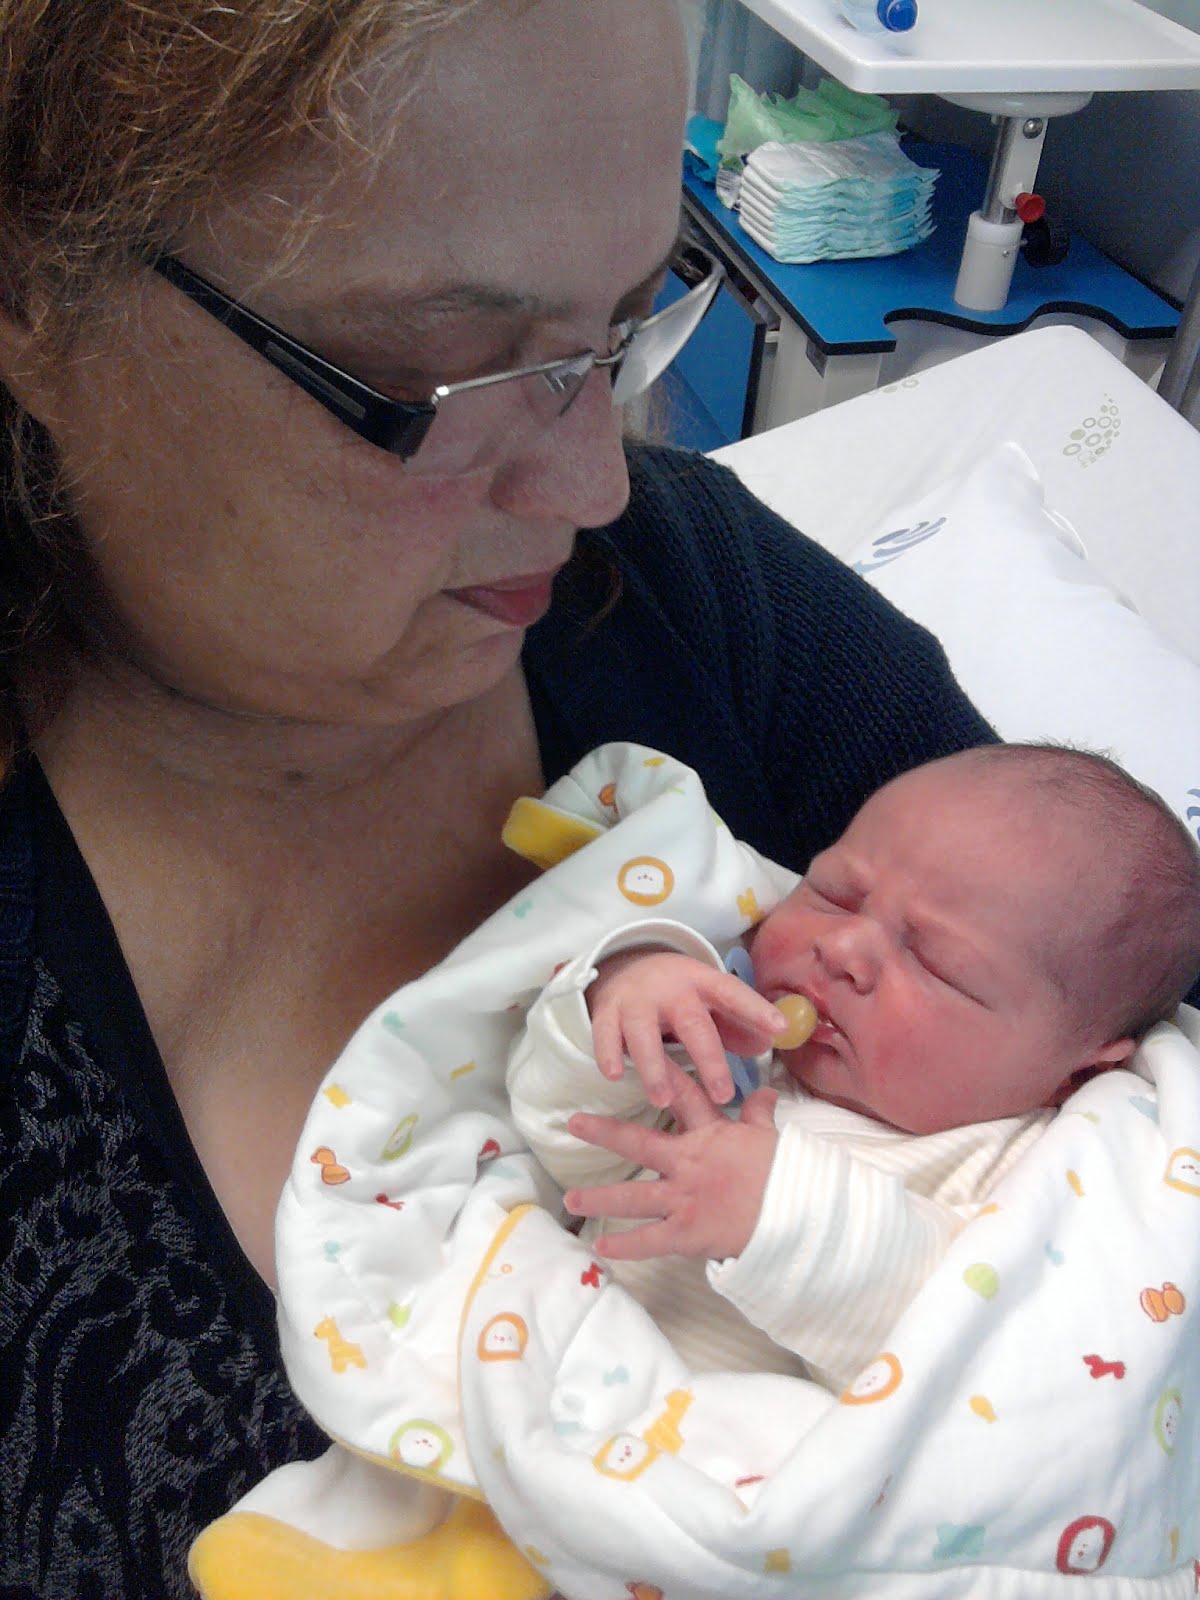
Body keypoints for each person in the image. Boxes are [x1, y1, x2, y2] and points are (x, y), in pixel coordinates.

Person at [0, 2, 1006, 1595]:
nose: (596, 485)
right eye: (444, 374)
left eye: (625, 324)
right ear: (31, 291)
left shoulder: (702, 597)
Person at [508, 743, 1200, 1387]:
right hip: (529, 1361)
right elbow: (572, 1154)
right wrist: (621, 1004)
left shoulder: (1020, 1170)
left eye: (938, 964)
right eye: (834, 894)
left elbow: (986, 1359)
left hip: (723, 1453)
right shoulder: (734, 1044)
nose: (842, 948)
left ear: (1075, 1075)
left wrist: (786, 1216)